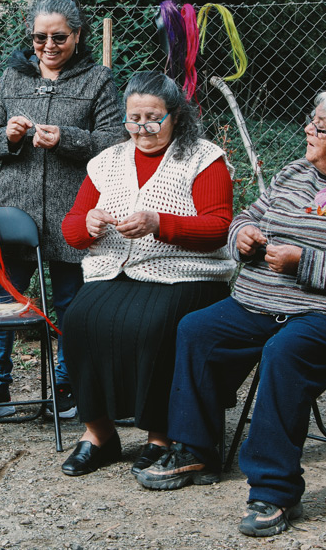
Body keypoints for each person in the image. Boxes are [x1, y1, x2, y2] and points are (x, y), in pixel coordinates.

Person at [135, 89, 326, 538]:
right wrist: (244, 234)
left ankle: (274, 490)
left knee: (285, 352)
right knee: (198, 329)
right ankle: (195, 449)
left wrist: (303, 262)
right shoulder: (295, 173)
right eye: (312, 120)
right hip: (263, 300)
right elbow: (247, 216)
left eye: (320, 126)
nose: (308, 129)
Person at [57, 72, 234, 477]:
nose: (142, 128)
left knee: (153, 325)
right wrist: (90, 222)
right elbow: (71, 230)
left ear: (176, 117)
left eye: (153, 118)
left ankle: (161, 435)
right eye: (133, 119)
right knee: (81, 318)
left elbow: (218, 228)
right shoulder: (107, 161)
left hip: (189, 274)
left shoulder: (203, 158)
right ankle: (98, 433)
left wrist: (159, 222)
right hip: (116, 270)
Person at [0, 0, 123, 421]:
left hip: (75, 212)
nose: (48, 47)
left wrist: (67, 138)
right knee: (1, 299)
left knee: (73, 302)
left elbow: (115, 143)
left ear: (77, 35)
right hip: (17, 212)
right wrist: (9, 137)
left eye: (59, 38)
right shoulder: (13, 78)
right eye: (39, 38)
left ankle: (66, 388)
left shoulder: (98, 80)